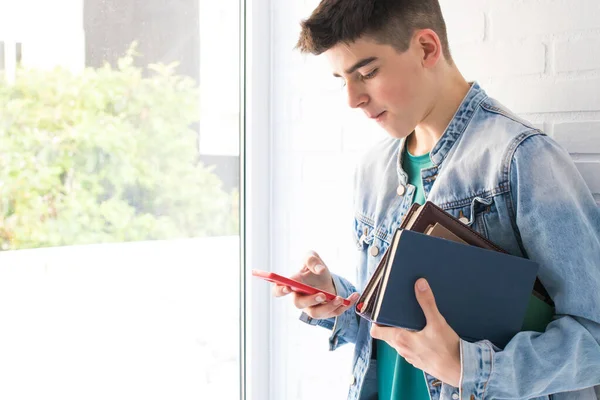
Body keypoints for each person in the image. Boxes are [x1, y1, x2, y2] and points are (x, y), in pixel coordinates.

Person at [272, 0, 600, 399]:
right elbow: (397, 329)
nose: (352, 99)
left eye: (368, 72)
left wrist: (468, 367)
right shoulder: (374, 171)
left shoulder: (521, 159)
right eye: (343, 80)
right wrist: (336, 299)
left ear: (427, 48)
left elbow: (592, 337)